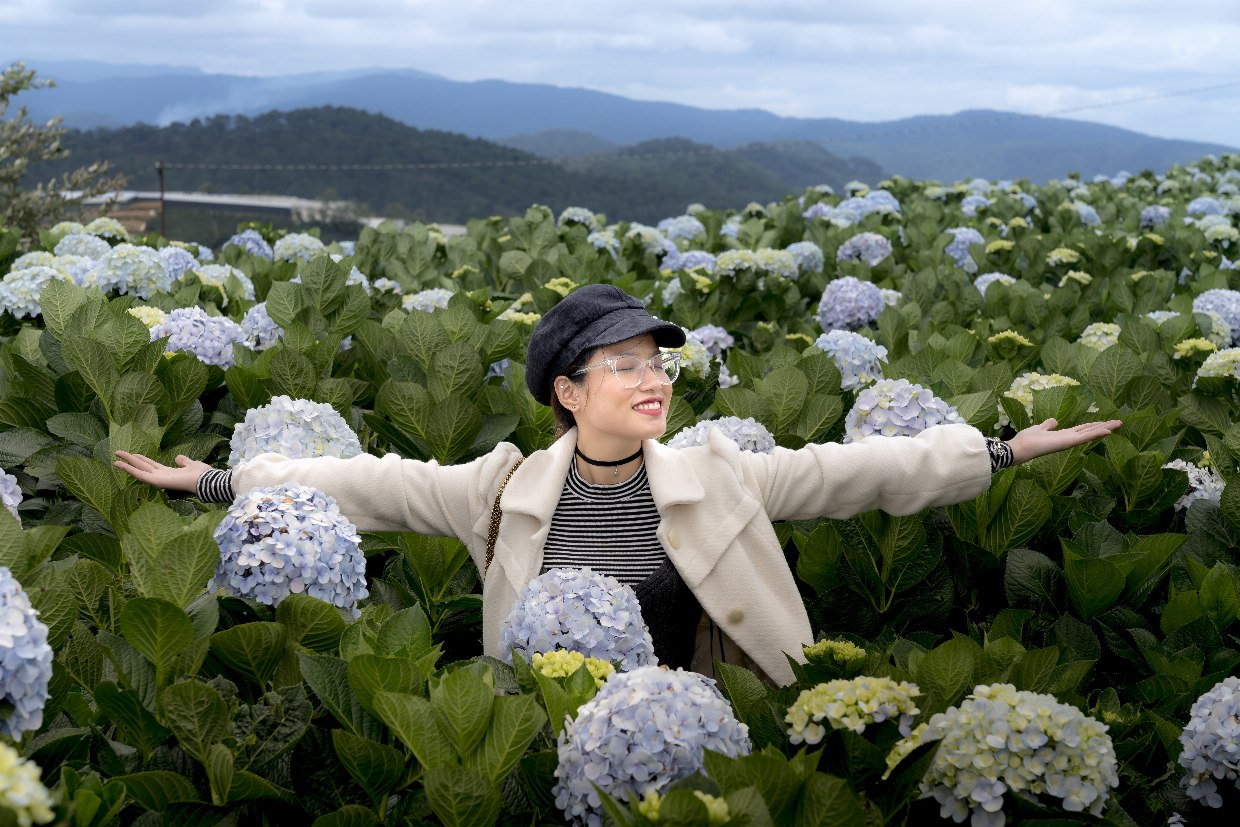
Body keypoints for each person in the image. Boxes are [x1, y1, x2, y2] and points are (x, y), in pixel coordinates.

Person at [115, 284, 1122, 685]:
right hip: (549, 730)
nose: (651, 382)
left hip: (710, 726)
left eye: (659, 363)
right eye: (625, 365)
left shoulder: (718, 473)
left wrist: (1000, 450)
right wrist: (219, 481)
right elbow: (372, 483)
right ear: (566, 389)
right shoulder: (500, 487)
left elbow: (857, 471)